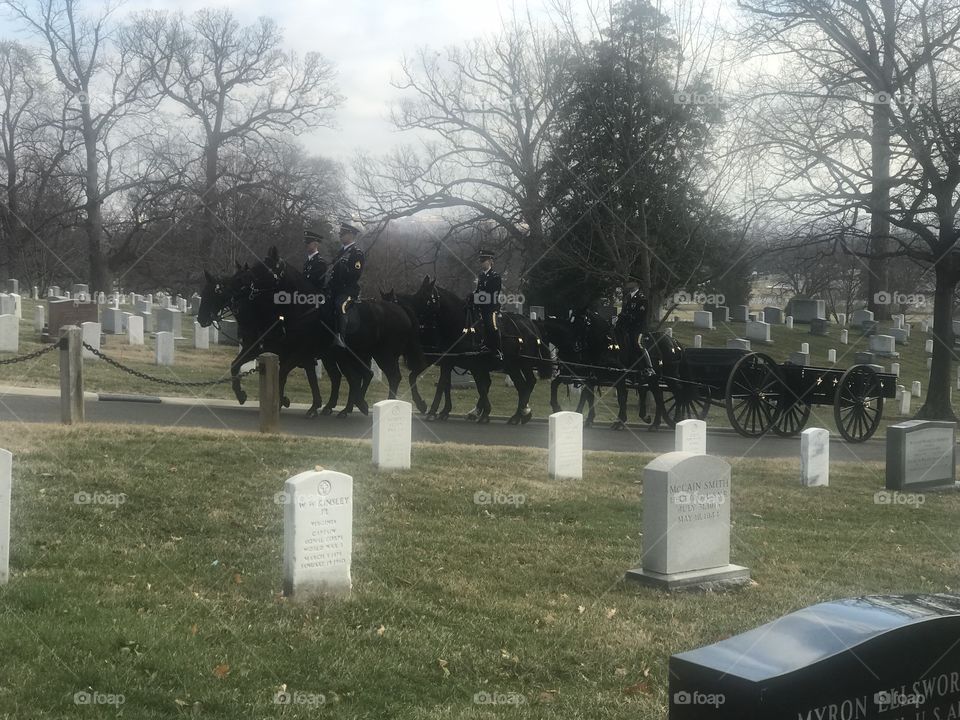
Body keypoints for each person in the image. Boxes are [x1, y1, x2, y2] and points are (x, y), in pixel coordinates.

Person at [327, 221, 365, 348]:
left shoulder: (356, 253)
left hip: (348, 290)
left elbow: (355, 275)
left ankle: (340, 336)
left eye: (343, 233)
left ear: (351, 235)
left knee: (340, 305)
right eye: (340, 233)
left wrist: (344, 270)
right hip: (335, 289)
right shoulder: (340, 252)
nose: (340, 235)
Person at [468, 248, 502, 359]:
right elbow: (478, 290)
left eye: (484, 260)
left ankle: (497, 349)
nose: (482, 263)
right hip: (481, 307)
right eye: (481, 260)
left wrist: (476, 297)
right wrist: (472, 296)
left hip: (491, 307)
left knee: (492, 326)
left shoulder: (495, 277)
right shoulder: (481, 276)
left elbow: (492, 295)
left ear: (491, 261)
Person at [302, 223, 328, 290]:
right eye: (305, 242)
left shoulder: (320, 263)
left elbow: (314, 283)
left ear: (316, 244)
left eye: (308, 242)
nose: (306, 244)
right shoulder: (308, 261)